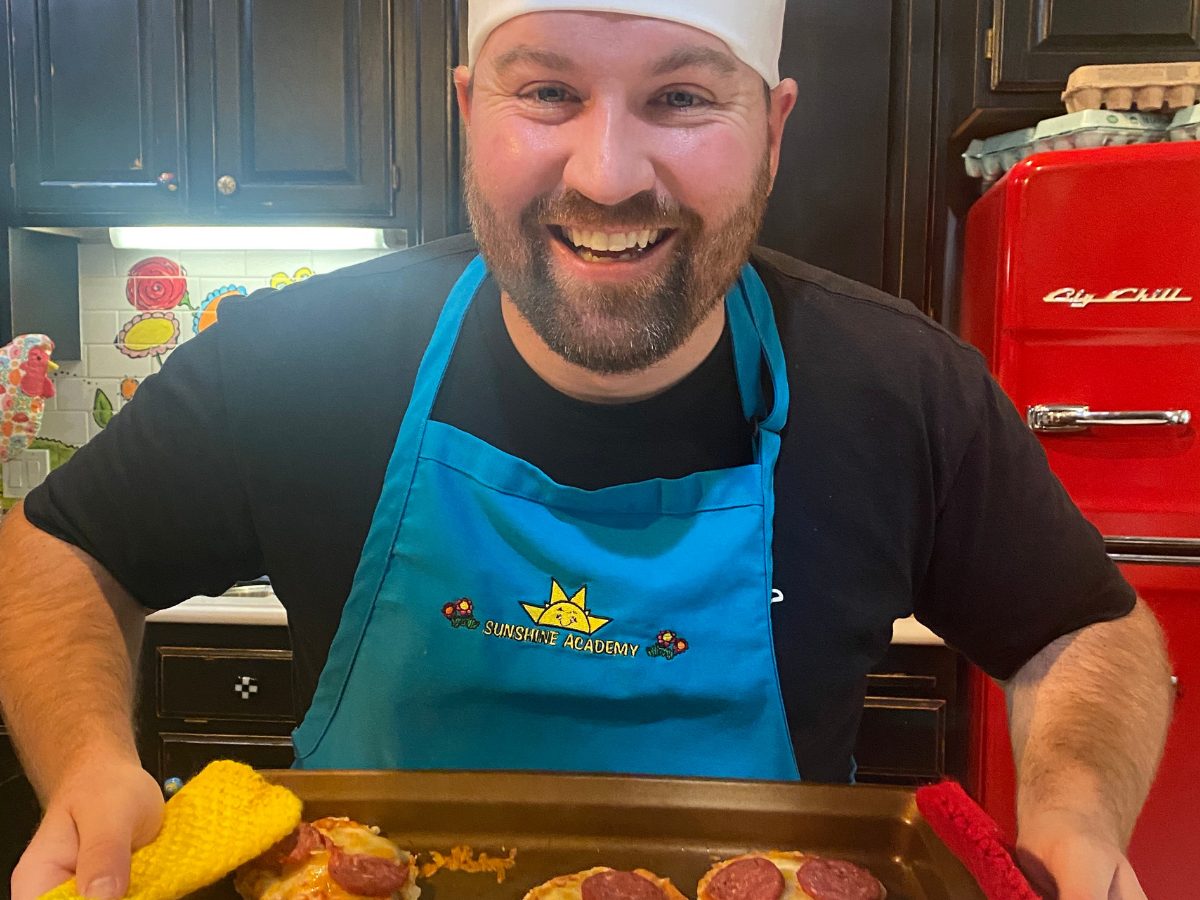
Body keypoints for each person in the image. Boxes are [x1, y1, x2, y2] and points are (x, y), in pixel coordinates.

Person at [0, 2, 1171, 898]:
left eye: (683, 100)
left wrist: (1074, 807)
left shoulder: (900, 388)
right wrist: (91, 761)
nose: (608, 176)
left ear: (774, 130)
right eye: (549, 92)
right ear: (470, 110)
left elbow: (1087, 627)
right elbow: (52, 551)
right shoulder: (292, 360)